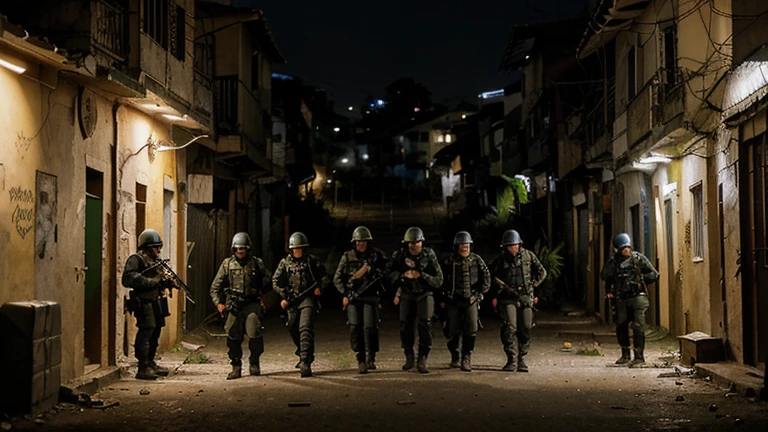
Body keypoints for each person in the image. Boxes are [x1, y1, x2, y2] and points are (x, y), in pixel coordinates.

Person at [210, 232, 271, 379]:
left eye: (242, 249)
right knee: (233, 336)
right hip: (234, 305)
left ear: (248, 249)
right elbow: (214, 288)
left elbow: (269, 280)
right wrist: (219, 303)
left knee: (254, 332)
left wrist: (260, 287)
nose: (240, 252)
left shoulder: (257, 263)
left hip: (252, 303)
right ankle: (236, 366)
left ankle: (254, 362)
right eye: (237, 249)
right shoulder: (227, 264)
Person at [488, 230, 547, 372]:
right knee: (510, 327)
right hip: (508, 298)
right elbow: (491, 277)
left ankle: (522, 358)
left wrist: (534, 286)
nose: (513, 248)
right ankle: (512, 358)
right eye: (509, 246)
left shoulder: (528, 256)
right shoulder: (500, 260)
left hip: (526, 296)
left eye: (515, 245)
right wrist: (496, 294)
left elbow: (542, 272)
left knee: (526, 326)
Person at [272, 232, 329, 377]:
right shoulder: (285, 263)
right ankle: (304, 352)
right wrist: (283, 295)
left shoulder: (312, 262)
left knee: (305, 328)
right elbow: (275, 281)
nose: (298, 251)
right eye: (295, 248)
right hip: (292, 301)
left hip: (307, 299)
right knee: (292, 327)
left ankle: (305, 361)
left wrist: (319, 288)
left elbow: (325, 277)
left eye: (301, 248)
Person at [388, 227, 443, 374]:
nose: (415, 245)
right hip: (407, 294)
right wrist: (403, 276)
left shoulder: (429, 255)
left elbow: (439, 280)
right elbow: (388, 274)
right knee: (405, 325)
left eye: (417, 242)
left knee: (425, 324)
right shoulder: (399, 255)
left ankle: (423, 358)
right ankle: (409, 356)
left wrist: (421, 275)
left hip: (424, 293)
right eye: (411, 243)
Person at [333, 226, 388, 374]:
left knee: (370, 327)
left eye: (362, 242)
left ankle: (371, 356)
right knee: (354, 327)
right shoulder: (348, 257)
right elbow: (337, 278)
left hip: (370, 297)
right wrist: (345, 293)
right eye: (357, 242)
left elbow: (386, 272)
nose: (360, 245)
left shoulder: (376, 256)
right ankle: (360, 357)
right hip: (354, 297)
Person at [600, 233, 659, 367]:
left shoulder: (638, 259)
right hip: (621, 299)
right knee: (621, 325)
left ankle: (639, 357)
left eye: (628, 248)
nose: (627, 251)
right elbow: (605, 276)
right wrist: (610, 292)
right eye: (623, 249)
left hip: (638, 297)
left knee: (638, 326)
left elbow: (654, 274)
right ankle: (625, 354)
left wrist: (641, 279)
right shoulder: (613, 262)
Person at [122, 229, 173, 380]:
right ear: (147, 247)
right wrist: (152, 281)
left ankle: (150, 362)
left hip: (156, 300)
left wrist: (166, 282)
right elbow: (129, 279)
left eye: (159, 247)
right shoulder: (136, 259)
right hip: (143, 301)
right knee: (147, 330)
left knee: (156, 330)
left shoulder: (156, 262)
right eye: (155, 247)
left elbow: (161, 279)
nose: (158, 250)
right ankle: (142, 366)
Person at [440, 231, 490, 371]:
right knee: (452, 330)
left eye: (466, 244)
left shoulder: (476, 260)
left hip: (471, 300)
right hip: (453, 301)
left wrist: (479, 294)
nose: (464, 247)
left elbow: (486, 278)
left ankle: (466, 357)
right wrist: (444, 297)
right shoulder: (449, 261)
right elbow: (441, 280)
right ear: (457, 246)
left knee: (471, 329)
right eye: (462, 244)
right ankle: (455, 356)